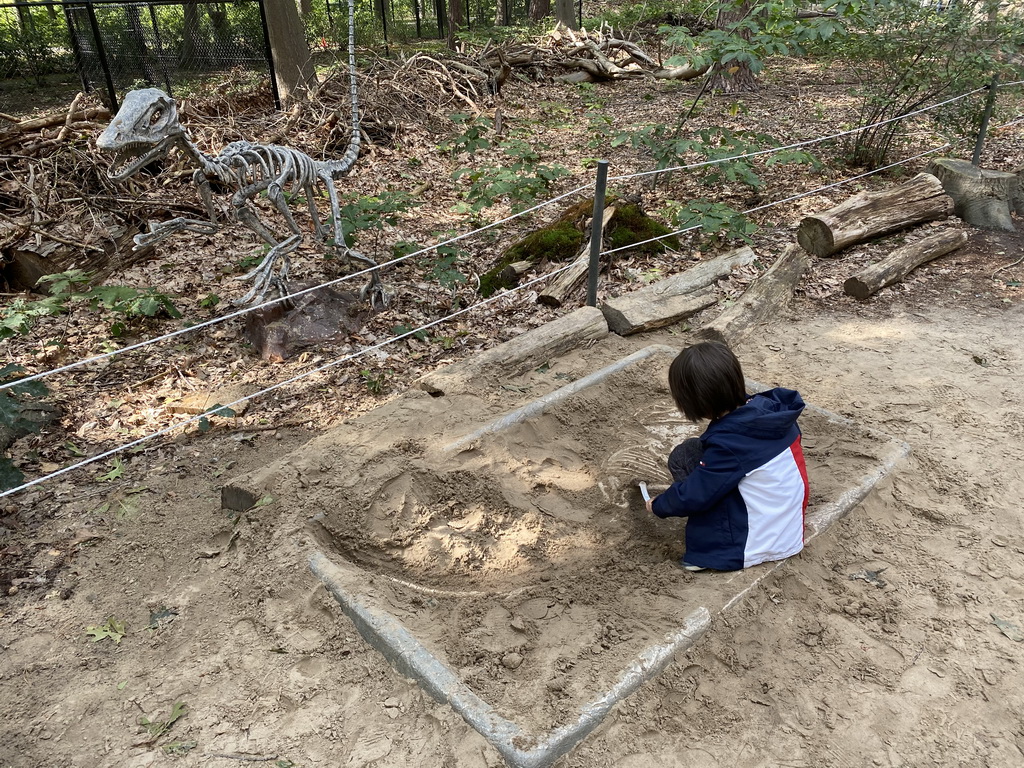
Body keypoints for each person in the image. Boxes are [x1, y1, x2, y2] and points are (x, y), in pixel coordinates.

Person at [645, 341, 808, 572]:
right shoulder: (771, 412)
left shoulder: (730, 444)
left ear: (696, 402)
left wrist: (660, 505)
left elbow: (696, 494)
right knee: (692, 451)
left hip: (754, 544)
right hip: (788, 525)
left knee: (685, 460)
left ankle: (709, 553)